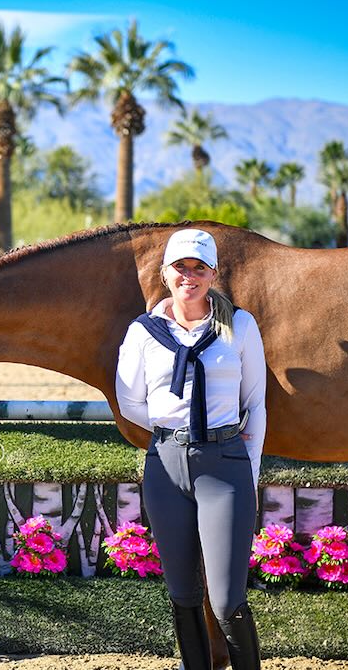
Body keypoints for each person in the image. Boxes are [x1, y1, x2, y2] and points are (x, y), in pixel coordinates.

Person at [115, 228, 266, 670]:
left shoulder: (239, 325)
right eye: (181, 267)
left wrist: (248, 472)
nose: (190, 275)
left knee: (225, 599)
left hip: (224, 467)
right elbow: (129, 401)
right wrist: (174, 428)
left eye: (200, 267)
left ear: (213, 274)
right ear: (165, 274)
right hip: (165, 467)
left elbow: (254, 404)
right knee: (182, 594)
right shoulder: (143, 333)